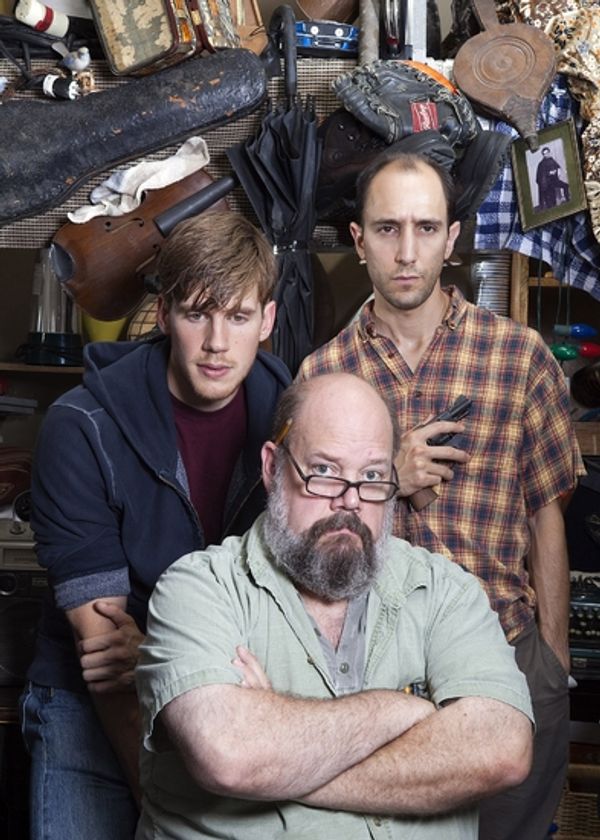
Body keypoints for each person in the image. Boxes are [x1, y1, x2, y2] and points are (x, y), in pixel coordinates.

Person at [298, 149, 585, 840]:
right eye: (388, 229)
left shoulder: (519, 358)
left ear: (452, 239)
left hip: (505, 656)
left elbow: (547, 511)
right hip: (367, 670)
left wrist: (551, 662)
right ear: (359, 240)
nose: (407, 251)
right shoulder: (324, 373)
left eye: (426, 229)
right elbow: (302, 534)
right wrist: (386, 478)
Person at [135, 372, 534, 840]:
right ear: (271, 467)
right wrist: (401, 711)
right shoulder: (199, 589)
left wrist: (281, 764)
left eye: (371, 476)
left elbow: (502, 749)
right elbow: (229, 755)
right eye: (324, 471)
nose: (350, 502)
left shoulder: (446, 592)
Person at [19, 210, 291, 840]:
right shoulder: (80, 427)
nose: (218, 342)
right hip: (91, 708)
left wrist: (171, 658)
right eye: (198, 313)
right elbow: (105, 655)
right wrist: (163, 812)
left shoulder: (293, 423)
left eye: (239, 317)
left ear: (268, 322)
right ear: (164, 314)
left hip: (236, 692)